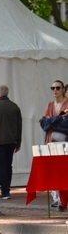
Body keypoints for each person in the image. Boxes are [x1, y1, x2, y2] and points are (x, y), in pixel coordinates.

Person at [39, 80, 68, 209]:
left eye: (57, 87)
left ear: (63, 89)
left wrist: (52, 122)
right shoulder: (49, 105)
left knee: (63, 171)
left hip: (64, 142)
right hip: (50, 142)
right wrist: (58, 119)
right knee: (52, 171)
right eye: (53, 88)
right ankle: (57, 198)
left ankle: (63, 199)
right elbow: (43, 124)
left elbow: (65, 125)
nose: (55, 90)